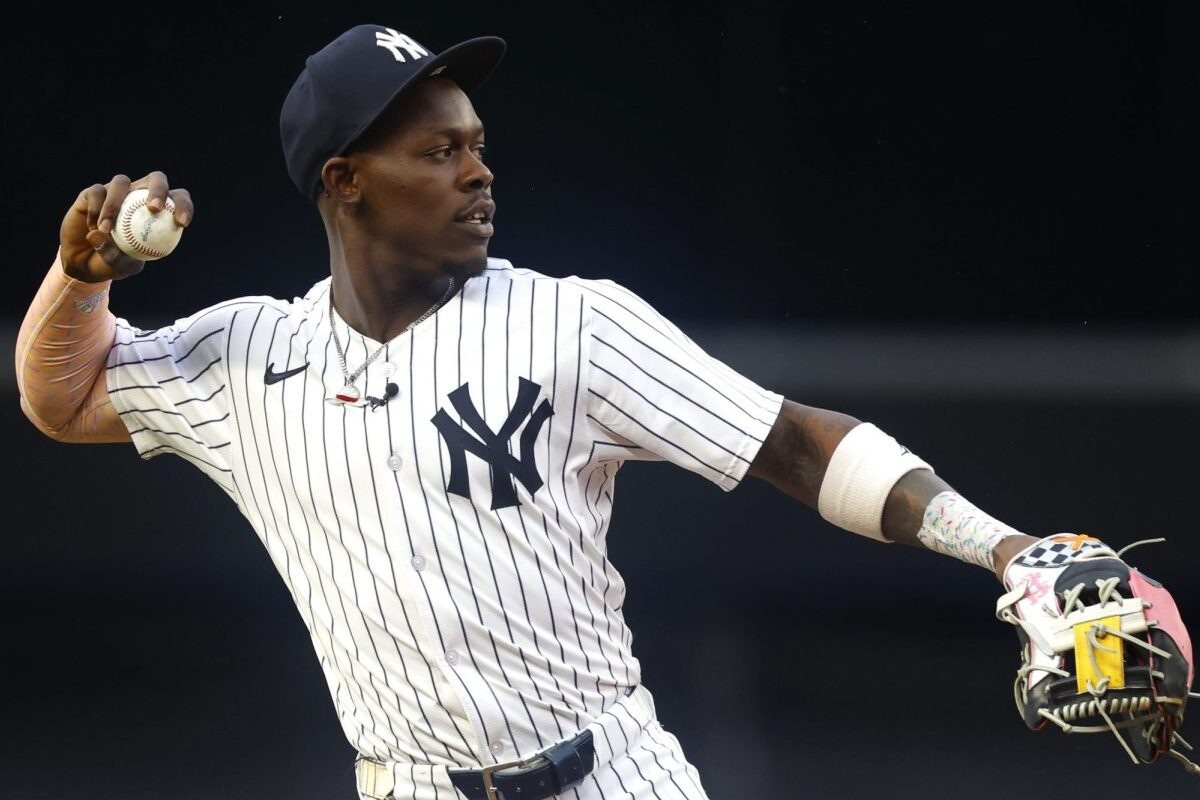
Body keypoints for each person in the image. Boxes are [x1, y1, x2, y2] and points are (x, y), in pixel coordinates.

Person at [15, 23, 1191, 800]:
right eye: (439, 151)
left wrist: (999, 544)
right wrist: (83, 275)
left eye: (479, 146)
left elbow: (790, 439)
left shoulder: (574, 321)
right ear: (346, 180)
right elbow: (59, 395)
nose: (479, 172)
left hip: (609, 774)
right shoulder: (245, 354)